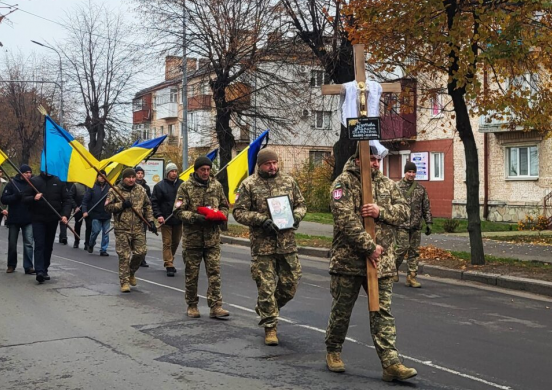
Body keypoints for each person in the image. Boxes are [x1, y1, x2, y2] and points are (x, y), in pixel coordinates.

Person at [324, 144, 417, 382]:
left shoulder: (387, 184)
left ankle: (390, 363)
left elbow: (405, 212)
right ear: (357, 159)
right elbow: (346, 221)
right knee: (342, 311)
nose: (375, 163)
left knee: (382, 313)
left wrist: (380, 212)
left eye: (377, 159)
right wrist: (369, 247)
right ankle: (333, 350)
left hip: (381, 263)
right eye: (370, 158)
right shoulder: (342, 183)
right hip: (349, 262)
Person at [233, 149, 307, 346]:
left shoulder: (288, 182)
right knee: (266, 287)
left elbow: (301, 204)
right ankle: (270, 327)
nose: (273, 167)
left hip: (287, 243)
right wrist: (260, 220)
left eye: (275, 163)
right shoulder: (249, 184)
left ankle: (266, 307)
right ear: (260, 165)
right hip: (263, 246)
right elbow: (239, 212)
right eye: (268, 164)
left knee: (290, 285)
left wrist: (296, 216)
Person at [173, 156, 230, 319]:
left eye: (208, 169)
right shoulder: (185, 187)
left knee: (215, 273)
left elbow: (225, 205)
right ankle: (192, 304)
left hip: (212, 238)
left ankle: (216, 306)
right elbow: (177, 211)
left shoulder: (216, 186)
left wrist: (220, 216)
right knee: (192, 274)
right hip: (193, 239)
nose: (206, 172)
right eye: (202, 170)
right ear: (196, 171)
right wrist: (194, 217)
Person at [105, 168, 154, 293]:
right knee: (124, 256)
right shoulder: (114, 190)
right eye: (129, 177)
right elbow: (107, 207)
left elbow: (147, 206)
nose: (132, 179)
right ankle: (124, 281)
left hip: (138, 227)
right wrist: (121, 205)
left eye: (133, 177)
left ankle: (131, 272)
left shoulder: (141, 190)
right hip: (122, 228)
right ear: (123, 178)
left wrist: (151, 221)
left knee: (141, 252)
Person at [27, 169, 72, 284]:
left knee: (48, 245)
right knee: (39, 244)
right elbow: (24, 198)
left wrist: (65, 215)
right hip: (38, 219)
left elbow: (67, 200)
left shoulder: (59, 181)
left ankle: (45, 268)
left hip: (52, 219)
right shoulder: (34, 181)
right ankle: (39, 271)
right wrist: (34, 198)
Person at [394, 161, 433, 288]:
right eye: (409, 172)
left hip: (416, 225)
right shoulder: (396, 187)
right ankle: (393, 269)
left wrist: (429, 222)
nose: (411, 174)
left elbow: (426, 207)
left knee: (414, 251)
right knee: (402, 248)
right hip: (401, 224)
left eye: (413, 172)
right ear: (405, 172)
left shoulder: (420, 189)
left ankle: (411, 277)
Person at [1, 164, 35, 274]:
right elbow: (4, 199)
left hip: (28, 218)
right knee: (12, 243)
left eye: (30, 172)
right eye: (26, 173)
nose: (28, 175)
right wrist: (15, 196)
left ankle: (28, 266)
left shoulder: (32, 184)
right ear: (21, 173)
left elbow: (35, 198)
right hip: (14, 218)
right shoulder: (12, 184)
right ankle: (11, 265)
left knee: (29, 243)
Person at [151, 163, 183, 277]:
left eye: (175, 171)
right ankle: (168, 264)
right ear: (167, 173)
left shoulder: (182, 185)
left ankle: (170, 259)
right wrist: (158, 215)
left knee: (176, 242)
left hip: (179, 219)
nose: (174, 173)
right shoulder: (160, 186)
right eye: (172, 171)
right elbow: (154, 202)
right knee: (167, 242)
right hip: (166, 219)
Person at [82, 174, 111, 256]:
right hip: (95, 213)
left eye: (104, 176)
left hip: (106, 214)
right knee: (95, 231)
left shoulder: (110, 188)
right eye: (100, 176)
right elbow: (85, 201)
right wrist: (84, 211)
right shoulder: (92, 187)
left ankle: (103, 249)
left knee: (106, 233)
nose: (102, 178)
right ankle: (91, 244)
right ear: (97, 177)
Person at [135, 166, 152, 268]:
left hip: (142, 217)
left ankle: (142, 259)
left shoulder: (146, 188)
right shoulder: (131, 185)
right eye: (138, 173)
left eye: (142, 173)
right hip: (132, 217)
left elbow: (148, 202)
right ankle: (133, 257)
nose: (140, 175)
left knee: (142, 238)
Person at [69, 182, 87, 249]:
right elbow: (70, 196)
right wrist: (75, 206)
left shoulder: (91, 185)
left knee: (89, 226)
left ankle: (87, 243)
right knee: (77, 225)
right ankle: (76, 241)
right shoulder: (76, 185)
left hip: (88, 209)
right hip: (78, 208)